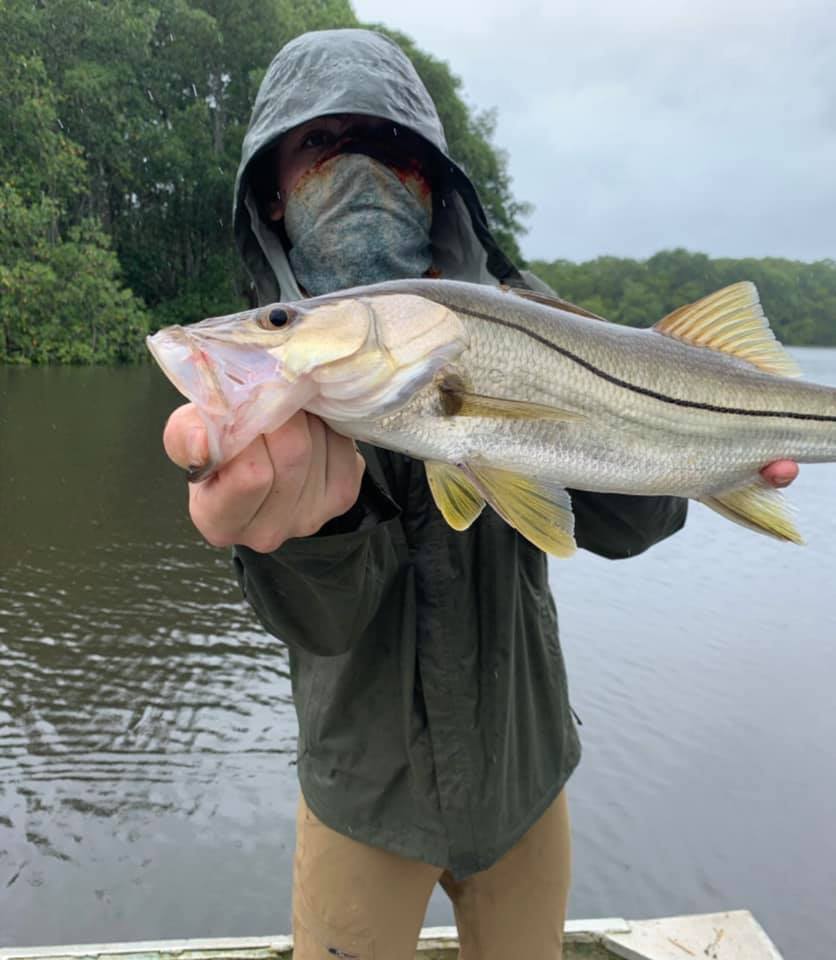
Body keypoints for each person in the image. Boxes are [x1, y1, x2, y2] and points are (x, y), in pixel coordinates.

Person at [163, 28, 799, 960]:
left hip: (522, 774)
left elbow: (635, 523)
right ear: (272, 192)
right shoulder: (282, 393)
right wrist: (307, 533)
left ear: (433, 179)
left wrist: (693, 451)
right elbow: (319, 624)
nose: (358, 168)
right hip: (362, 797)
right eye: (322, 143)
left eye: (388, 145)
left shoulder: (524, 306)